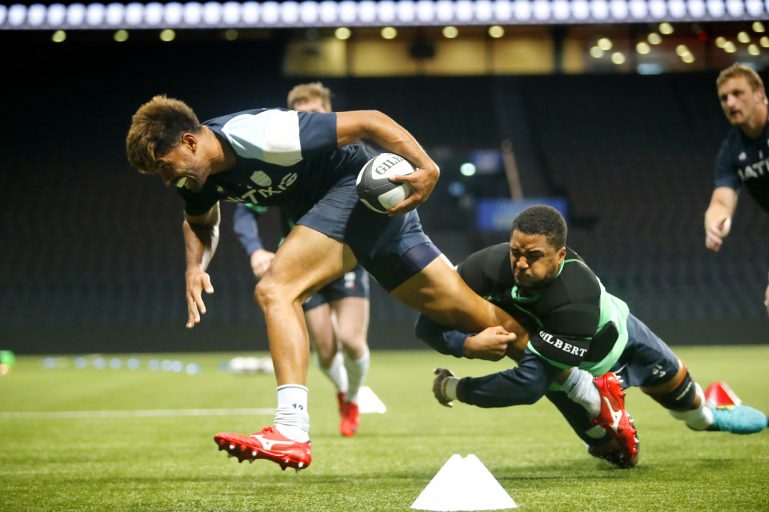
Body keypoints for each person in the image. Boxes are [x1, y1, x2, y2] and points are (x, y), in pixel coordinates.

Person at [126, 94, 567, 471]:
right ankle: (588, 387)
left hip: (359, 191)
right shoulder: (197, 176)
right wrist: (194, 266)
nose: (169, 180)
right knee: (474, 315)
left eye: (167, 168)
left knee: (276, 289)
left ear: (189, 141)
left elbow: (369, 121)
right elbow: (200, 223)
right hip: (371, 221)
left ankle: (291, 429)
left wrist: (426, 167)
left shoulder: (260, 134)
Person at [423, 205, 768, 468]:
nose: (521, 264)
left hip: (624, 344)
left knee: (687, 406)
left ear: (559, 255)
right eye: (515, 252)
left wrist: (455, 388)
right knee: (619, 459)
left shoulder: (575, 296)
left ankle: (708, 418)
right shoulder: (489, 265)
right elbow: (425, 325)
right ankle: (605, 426)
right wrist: (465, 344)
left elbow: (529, 383)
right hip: (566, 374)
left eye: (534, 256)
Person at [233, 82, 372, 438]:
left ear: (330, 115)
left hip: (345, 258)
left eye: (316, 115)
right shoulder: (284, 161)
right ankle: (342, 390)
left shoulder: (350, 155)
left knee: (352, 341)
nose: (311, 122)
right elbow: (246, 210)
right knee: (326, 350)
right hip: (304, 264)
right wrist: (256, 249)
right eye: (303, 116)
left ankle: (353, 398)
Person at [704, 63, 769, 315]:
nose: (730, 102)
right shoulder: (731, 151)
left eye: (737, 93)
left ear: (760, 94)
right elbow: (721, 201)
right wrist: (716, 222)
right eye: (724, 98)